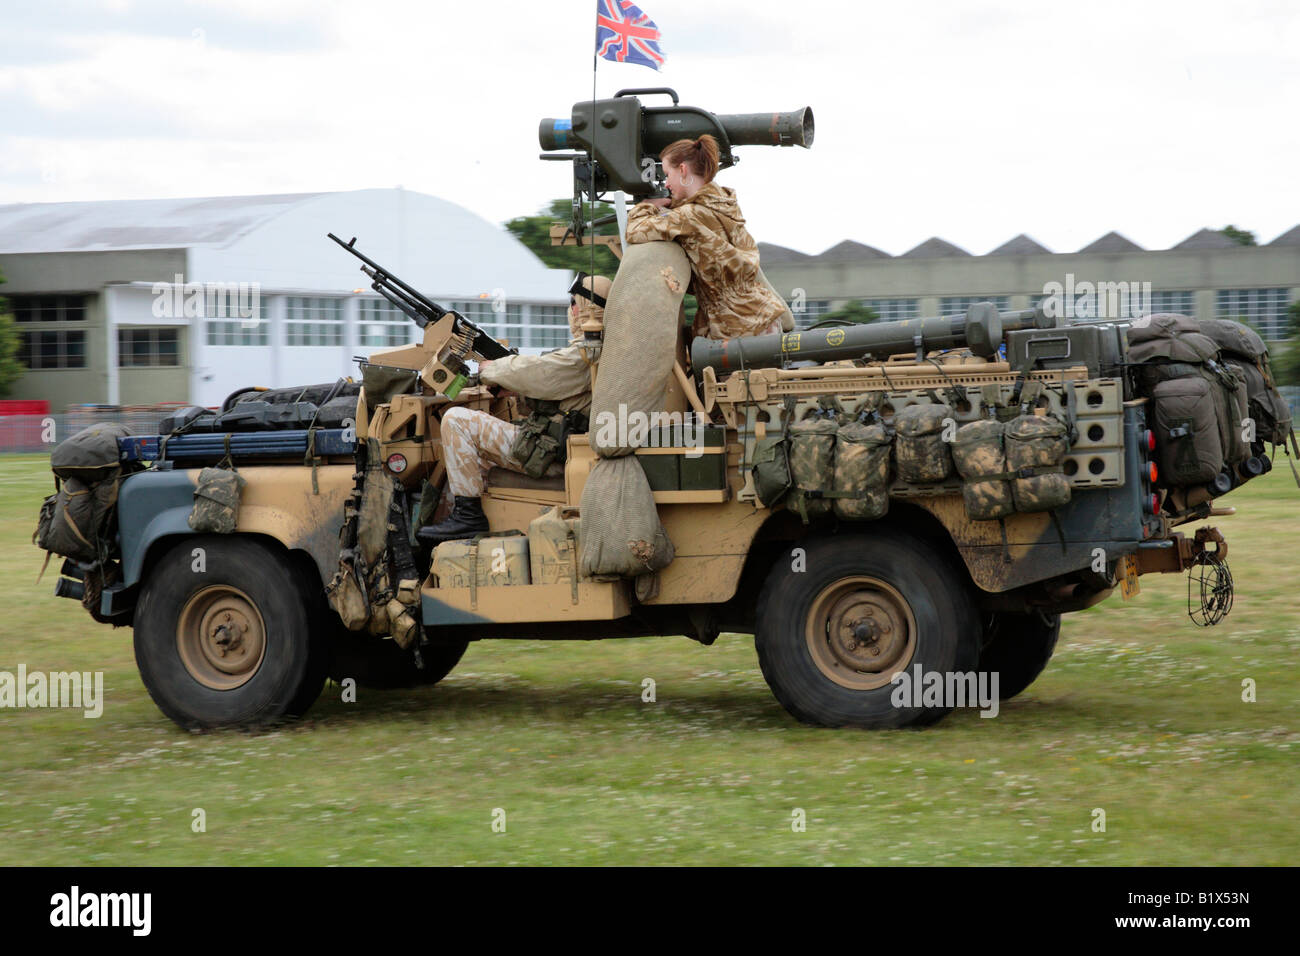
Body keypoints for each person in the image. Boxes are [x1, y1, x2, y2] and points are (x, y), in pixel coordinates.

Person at [417, 274, 612, 543]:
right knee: (471, 459)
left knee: (456, 421)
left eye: (573, 302)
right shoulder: (600, 348)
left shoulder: (588, 352)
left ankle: (468, 518)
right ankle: (459, 520)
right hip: (559, 447)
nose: (571, 309)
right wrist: (516, 391)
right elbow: (564, 397)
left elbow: (542, 372)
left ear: (586, 309)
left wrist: (492, 369)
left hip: (551, 453)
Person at [624, 134, 791, 340]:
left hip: (738, 325)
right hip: (758, 317)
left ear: (683, 170)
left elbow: (634, 230)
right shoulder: (722, 203)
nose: (666, 184)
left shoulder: (688, 216)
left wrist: (647, 206)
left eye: (668, 174)